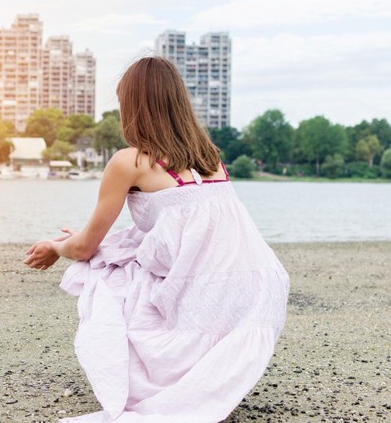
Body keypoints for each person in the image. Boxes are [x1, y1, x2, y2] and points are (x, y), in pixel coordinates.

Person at [24, 56, 290, 423]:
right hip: (258, 291)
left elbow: (85, 247)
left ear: (133, 107)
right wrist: (99, 244)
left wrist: (58, 247)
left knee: (105, 274)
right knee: (116, 256)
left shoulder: (129, 162)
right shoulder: (211, 159)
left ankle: (156, 382)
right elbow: (179, 234)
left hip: (209, 296)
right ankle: (194, 380)